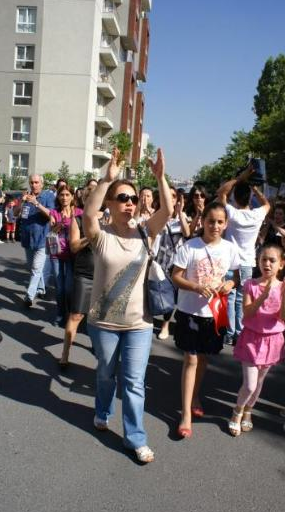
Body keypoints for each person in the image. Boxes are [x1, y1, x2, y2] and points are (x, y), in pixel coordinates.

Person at [83, 147, 173, 463]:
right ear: (110, 203)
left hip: (140, 324)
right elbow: (87, 214)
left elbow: (168, 211)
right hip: (103, 324)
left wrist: (160, 178)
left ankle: (135, 438)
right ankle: (103, 409)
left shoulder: (146, 233)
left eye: (132, 198)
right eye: (122, 198)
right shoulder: (100, 235)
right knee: (106, 375)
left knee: (134, 382)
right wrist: (108, 179)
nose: (129, 203)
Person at [172, 202, 240, 438]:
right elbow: (176, 276)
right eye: (211, 221)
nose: (215, 226)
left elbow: (235, 275)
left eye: (220, 222)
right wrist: (195, 287)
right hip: (189, 311)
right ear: (203, 221)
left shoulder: (231, 248)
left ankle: (195, 394)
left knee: (202, 358)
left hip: (215, 314)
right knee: (190, 359)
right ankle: (186, 414)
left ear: (226, 224)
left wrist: (229, 284)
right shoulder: (190, 247)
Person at [228, 244, 285, 436]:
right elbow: (247, 313)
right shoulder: (250, 284)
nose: (267, 264)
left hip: (273, 340)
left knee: (259, 382)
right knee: (250, 384)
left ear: (281, 264)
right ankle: (237, 411)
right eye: (263, 259)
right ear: (258, 261)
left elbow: (282, 317)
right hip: (252, 338)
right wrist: (263, 296)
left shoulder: (283, 287)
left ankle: (248, 411)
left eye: (272, 260)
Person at [217, 168, 270, 345]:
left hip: (230, 262)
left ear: (235, 197)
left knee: (229, 297)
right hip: (247, 263)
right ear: (249, 198)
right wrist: (255, 189)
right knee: (241, 299)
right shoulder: (257, 214)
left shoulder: (232, 213)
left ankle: (229, 332)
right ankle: (240, 332)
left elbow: (221, 192)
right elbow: (267, 204)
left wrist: (239, 179)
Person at [59, 187, 96, 366]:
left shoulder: (108, 219)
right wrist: (91, 236)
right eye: (91, 199)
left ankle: (99, 349)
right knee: (76, 316)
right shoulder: (78, 220)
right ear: (85, 201)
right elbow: (73, 246)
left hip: (105, 276)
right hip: (84, 275)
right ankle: (65, 355)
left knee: (101, 318)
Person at [155, 187, 190, 340]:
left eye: (173, 196)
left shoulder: (182, 218)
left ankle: (165, 325)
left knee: (171, 296)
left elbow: (187, 233)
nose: (171, 198)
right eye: (167, 195)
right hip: (156, 261)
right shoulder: (156, 216)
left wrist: (180, 212)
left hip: (173, 263)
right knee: (153, 292)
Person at [46, 185, 83, 326]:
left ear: (72, 196)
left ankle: (70, 314)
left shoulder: (79, 212)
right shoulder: (54, 212)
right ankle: (60, 314)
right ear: (58, 197)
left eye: (67, 194)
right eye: (62, 195)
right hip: (57, 254)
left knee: (69, 288)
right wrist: (59, 224)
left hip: (73, 255)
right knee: (60, 288)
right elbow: (51, 233)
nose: (64, 197)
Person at [21, 175, 55, 307]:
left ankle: (29, 296)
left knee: (36, 268)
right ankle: (41, 288)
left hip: (42, 238)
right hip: (27, 239)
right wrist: (23, 202)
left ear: (41, 183)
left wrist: (36, 203)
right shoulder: (26, 196)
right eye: (31, 182)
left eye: (36, 182)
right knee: (32, 268)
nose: (33, 185)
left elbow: (51, 214)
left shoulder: (48, 196)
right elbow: (18, 213)